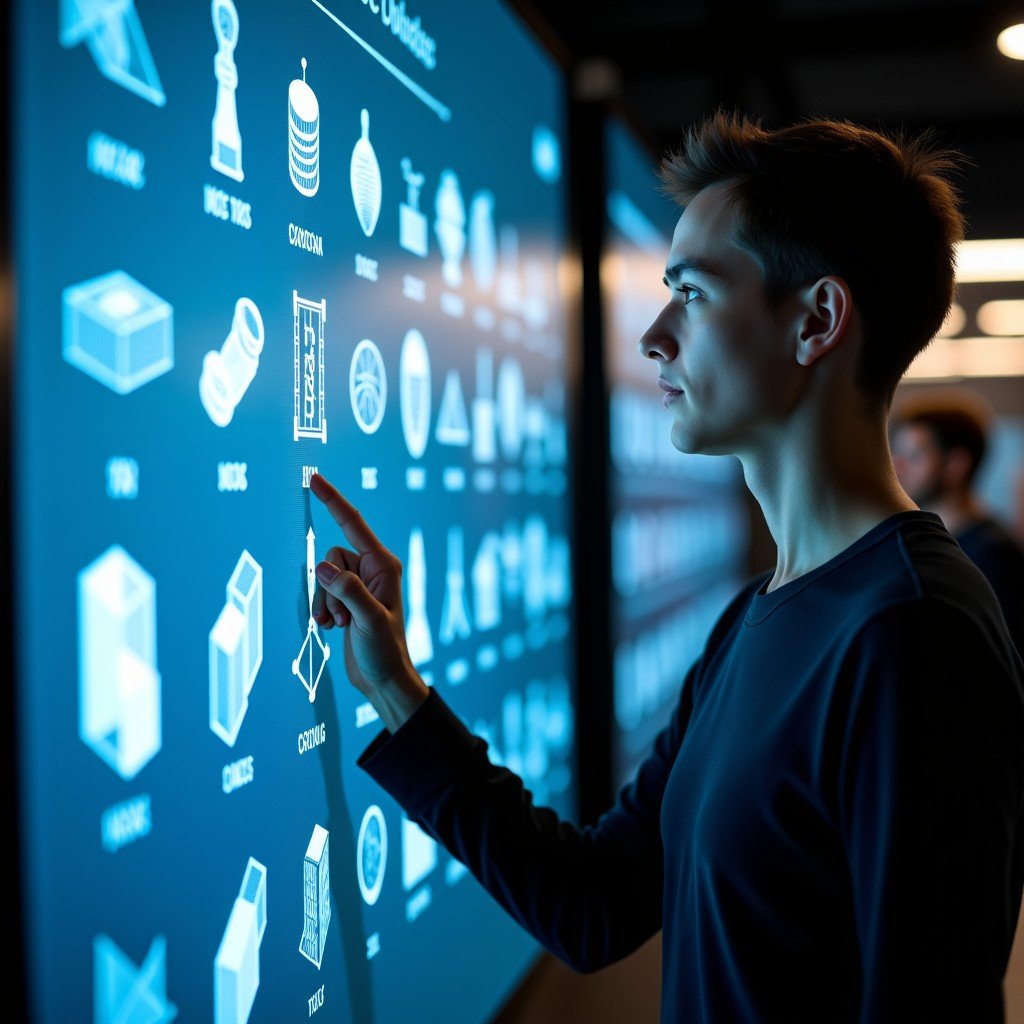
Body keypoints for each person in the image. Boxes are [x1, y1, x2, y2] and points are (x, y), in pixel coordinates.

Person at [308, 112, 1024, 1023]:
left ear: (817, 321)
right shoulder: (757, 616)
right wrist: (396, 690)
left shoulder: (914, 633)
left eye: (691, 294)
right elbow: (595, 904)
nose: (653, 336)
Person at [891, 398, 1024, 652]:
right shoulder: (927, 543)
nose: (898, 467)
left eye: (914, 456)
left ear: (955, 465)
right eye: (897, 454)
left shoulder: (993, 554)